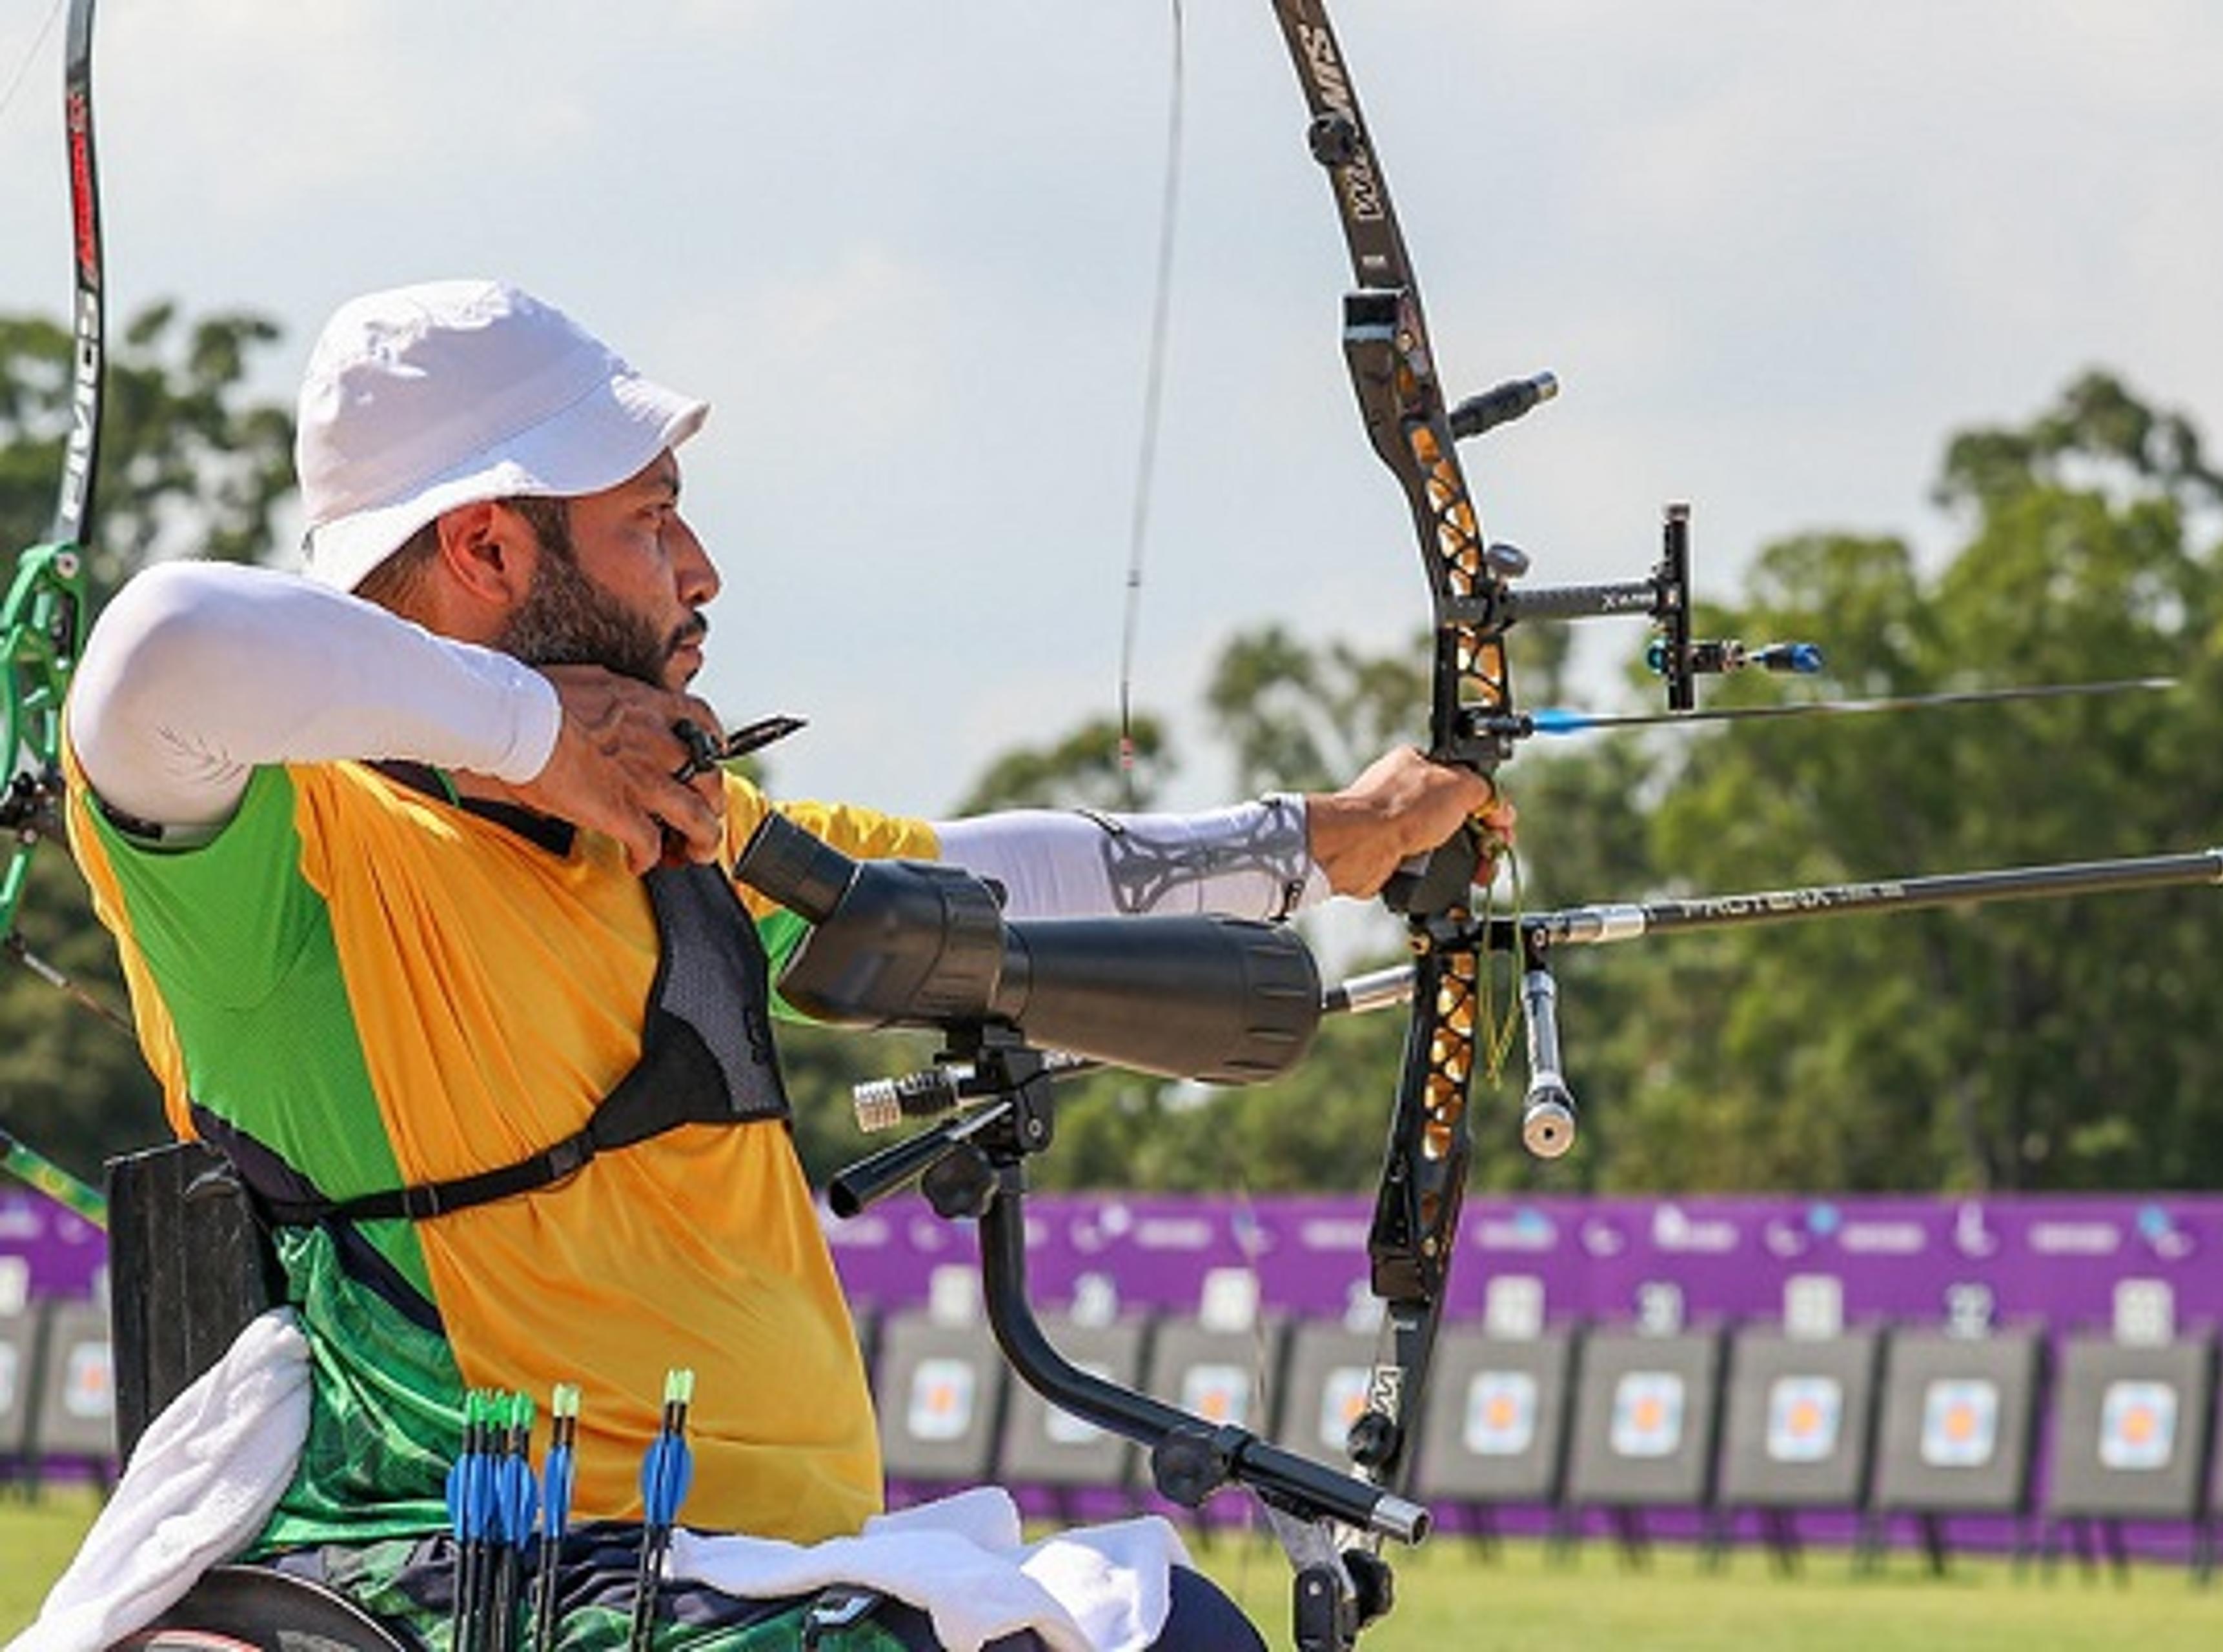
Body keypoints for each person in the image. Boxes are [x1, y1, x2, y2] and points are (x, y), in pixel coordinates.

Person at [57, 279, 1505, 1649]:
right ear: (491, 551)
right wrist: (532, 728)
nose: (702, 573)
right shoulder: (295, 859)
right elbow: (158, 650)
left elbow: (970, 881)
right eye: (652, 521)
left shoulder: (684, 828)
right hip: (493, 1568)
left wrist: (1340, 835)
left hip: (745, 1575)